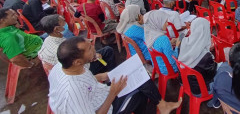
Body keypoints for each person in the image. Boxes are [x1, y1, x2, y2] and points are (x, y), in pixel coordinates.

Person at [48, 36, 182, 114]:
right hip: (105, 107)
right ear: (77, 61)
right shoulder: (72, 92)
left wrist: (108, 75)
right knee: (140, 92)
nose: (94, 49)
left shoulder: (62, 66)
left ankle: (162, 105)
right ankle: (159, 106)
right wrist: (113, 93)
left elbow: (86, 80)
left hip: (99, 94)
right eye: (90, 49)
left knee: (138, 73)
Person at [38, 14, 116, 74]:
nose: (66, 23)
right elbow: (76, 66)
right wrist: (91, 58)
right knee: (108, 50)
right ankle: (113, 76)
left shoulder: (48, 40)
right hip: (79, 72)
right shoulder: (60, 50)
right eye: (64, 22)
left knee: (99, 53)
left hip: (63, 68)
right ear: (57, 29)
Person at [178, 17, 217, 95]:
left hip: (184, 82)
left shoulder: (183, 42)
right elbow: (212, 74)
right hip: (199, 90)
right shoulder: (206, 56)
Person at [144, 10, 179, 75]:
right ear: (157, 22)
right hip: (169, 69)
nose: (167, 24)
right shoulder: (163, 39)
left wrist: (169, 43)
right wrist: (177, 46)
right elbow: (172, 60)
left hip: (158, 67)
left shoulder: (149, 35)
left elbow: (159, 48)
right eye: (165, 22)